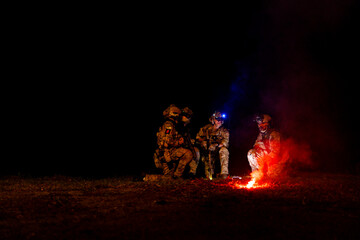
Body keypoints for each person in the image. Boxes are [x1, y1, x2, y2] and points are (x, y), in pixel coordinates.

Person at [153, 104, 193, 179]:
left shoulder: (171, 125)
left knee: (168, 177)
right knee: (188, 154)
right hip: (166, 154)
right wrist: (178, 142)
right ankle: (177, 175)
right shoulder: (169, 126)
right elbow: (166, 142)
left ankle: (145, 178)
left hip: (167, 153)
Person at [196, 111, 230, 179]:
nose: (219, 121)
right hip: (207, 152)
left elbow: (225, 142)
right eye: (217, 119)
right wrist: (203, 142)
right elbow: (198, 137)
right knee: (209, 175)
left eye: (221, 120)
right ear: (213, 120)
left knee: (224, 151)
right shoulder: (206, 129)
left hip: (218, 151)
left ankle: (224, 174)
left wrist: (216, 145)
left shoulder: (224, 131)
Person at [247, 114, 282, 178]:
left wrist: (265, 162)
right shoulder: (261, 134)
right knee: (251, 153)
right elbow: (256, 145)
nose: (260, 126)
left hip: (275, 162)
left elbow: (275, 153)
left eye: (262, 123)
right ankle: (256, 174)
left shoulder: (273, 134)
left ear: (267, 124)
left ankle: (265, 173)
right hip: (266, 160)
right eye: (259, 124)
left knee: (271, 177)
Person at [179, 107, 200, 178]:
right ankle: (178, 174)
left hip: (185, 147)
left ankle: (192, 173)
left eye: (187, 116)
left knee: (195, 152)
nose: (185, 117)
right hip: (175, 147)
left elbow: (189, 140)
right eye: (184, 115)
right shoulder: (176, 125)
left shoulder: (188, 128)